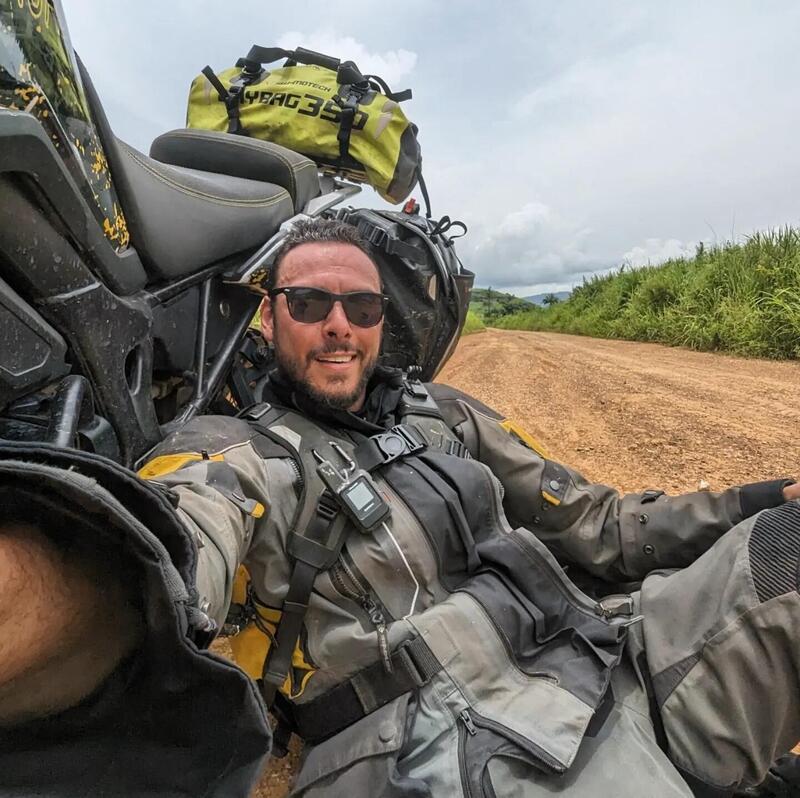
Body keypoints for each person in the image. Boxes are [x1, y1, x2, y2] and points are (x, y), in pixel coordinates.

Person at [1, 217, 799, 798]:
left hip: (614, 661)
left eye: (362, 307)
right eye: (310, 304)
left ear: (386, 323)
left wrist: (761, 499)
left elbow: (602, 526)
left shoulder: (443, 413)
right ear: (270, 315)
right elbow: (171, 536)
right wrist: (38, 591)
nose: (339, 326)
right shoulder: (235, 450)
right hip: (445, 753)